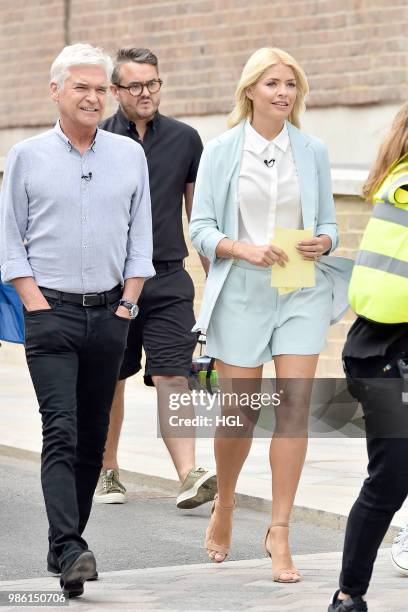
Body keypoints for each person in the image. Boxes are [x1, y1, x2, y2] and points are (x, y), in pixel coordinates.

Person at [190, 47, 352, 582]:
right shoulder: (220, 150)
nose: (283, 93)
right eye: (273, 83)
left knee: (292, 410)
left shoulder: (312, 150)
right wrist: (242, 249)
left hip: (297, 285)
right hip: (241, 286)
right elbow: (201, 229)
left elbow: (328, 223)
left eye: (291, 85)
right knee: (238, 414)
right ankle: (227, 502)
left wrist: (323, 241)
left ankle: (279, 531)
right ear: (250, 91)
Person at [0, 43, 154, 597]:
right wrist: (34, 304)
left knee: (92, 438)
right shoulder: (26, 155)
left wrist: (128, 303)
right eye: (81, 87)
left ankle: (65, 546)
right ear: (56, 92)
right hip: (51, 316)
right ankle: (70, 546)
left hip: (111, 313)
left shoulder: (127, 154)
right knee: (60, 430)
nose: (93, 97)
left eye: (100, 88)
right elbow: (8, 241)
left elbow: (142, 238)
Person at [96, 47, 217, 509]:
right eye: (135, 86)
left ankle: (188, 475)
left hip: (168, 279)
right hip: (109, 284)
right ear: (115, 91)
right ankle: (108, 470)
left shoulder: (186, 140)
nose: (146, 93)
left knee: (174, 375)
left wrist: (215, 288)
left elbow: (199, 219)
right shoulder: (100, 137)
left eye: (153, 83)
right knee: (112, 379)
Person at [328, 104, 408, 611]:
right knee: (392, 476)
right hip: (385, 353)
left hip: (381, 347)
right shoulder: (402, 186)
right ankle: (348, 594)